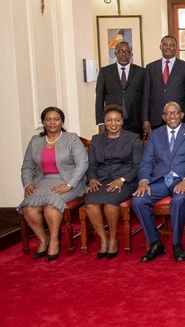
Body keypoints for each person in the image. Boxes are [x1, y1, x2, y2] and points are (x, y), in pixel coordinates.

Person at [132, 101, 185, 263]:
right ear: (163, 117)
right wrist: (143, 181)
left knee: (178, 200)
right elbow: (147, 162)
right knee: (138, 200)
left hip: (184, 179)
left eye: (175, 112)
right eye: (168, 113)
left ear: (181, 115)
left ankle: (177, 244)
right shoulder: (155, 135)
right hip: (160, 180)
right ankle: (155, 243)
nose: (171, 116)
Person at [19, 107, 88, 262]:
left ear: (62, 121)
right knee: (28, 207)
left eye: (56, 119)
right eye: (48, 119)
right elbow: (27, 166)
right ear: (43, 122)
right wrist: (28, 183)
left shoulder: (71, 138)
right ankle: (43, 240)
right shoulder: (36, 141)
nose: (52, 122)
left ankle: (55, 241)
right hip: (42, 181)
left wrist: (69, 185)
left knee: (51, 205)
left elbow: (82, 164)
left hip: (70, 182)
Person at [85, 105, 143, 259]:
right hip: (102, 180)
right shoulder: (97, 139)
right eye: (109, 120)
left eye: (117, 120)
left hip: (125, 180)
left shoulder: (133, 138)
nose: (113, 123)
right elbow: (92, 165)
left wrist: (122, 180)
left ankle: (112, 239)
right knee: (90, 202)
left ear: (122, 121)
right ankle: (103, 239)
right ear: (104, 122)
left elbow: (138, 165)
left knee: (110, 202)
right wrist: (92, 179)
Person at [94, 41, 145, 137]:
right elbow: (99, 98)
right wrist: (100, 122)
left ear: (131, 54)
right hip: (112, 121)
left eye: (127, 52)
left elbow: (146, 97)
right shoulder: (105, 72)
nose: (124, 54)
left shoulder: (141, 72)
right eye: (121, 51)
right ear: (115, 54)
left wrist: (145, 119)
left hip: (135, 122)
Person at [142, 36, 185, 135]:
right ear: (160, 47)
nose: (168, 47)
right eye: (165, 45)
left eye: (172, 45)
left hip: (178, 117)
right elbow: (146, 95)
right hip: (155, 118)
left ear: (176, 48)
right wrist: (145, 118)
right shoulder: (150, 68)